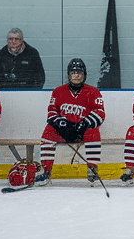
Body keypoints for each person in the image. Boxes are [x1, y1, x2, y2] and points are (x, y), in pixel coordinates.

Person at [36, 58, 105, 186]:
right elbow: (51, 113)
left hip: (83, 131)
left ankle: (92, 169)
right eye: (73, 73)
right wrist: (62, 125)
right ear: (68, 75)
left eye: (79, 72)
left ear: (84, 75)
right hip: (65, 130)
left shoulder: (93, 92)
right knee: (48, 132)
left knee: (94, 131)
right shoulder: (58, 91)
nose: (76, 75)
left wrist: (84, 124)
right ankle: (46, 171)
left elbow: (100, 114)